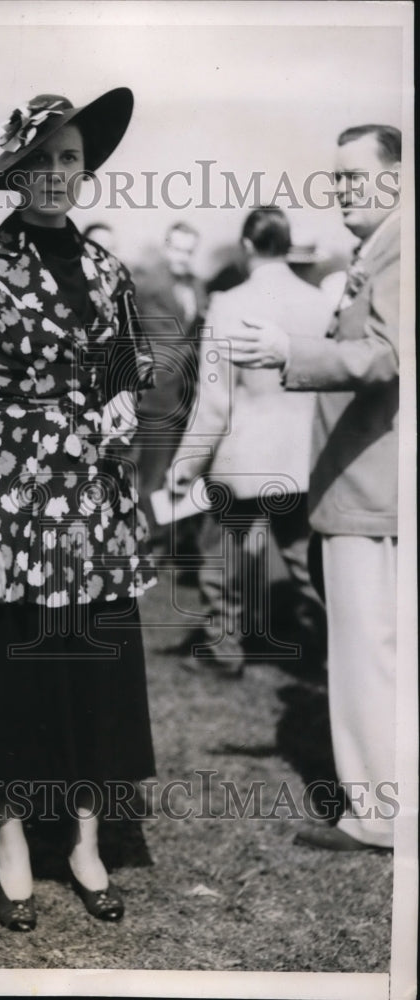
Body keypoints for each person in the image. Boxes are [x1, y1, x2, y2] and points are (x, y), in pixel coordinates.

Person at [0, 88, 157, 930]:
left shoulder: (106, 270)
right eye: (43, 160)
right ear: (15, 171)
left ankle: (88, 841)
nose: (58, 175)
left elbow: (120, 380)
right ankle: (15, 840)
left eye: (70, 159)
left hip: (94, 512)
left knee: (95, 681)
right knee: (15, 682)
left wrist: (120, 408)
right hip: (12, 512)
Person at [227, 125, 401, 851]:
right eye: (336, 181)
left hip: (369, 489)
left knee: (368, 656)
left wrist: (287, 352)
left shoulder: (397, 247)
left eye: (356, 179)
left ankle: (378, 815)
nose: (341, 194)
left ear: (399, 177)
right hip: (370, 485)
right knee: (376, 651)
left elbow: (386, 355)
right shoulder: (384, 248)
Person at [165, 207, 332, 677]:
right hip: (304, 455)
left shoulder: (229, 303)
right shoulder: (319, 302)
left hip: (245, 459)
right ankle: (337, 648)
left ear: (247, 247)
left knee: (225, 562)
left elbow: (214, 402)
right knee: (306, 560)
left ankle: (226, 650)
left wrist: (186, 463)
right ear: (287, 245)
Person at [130, 221, 207, 547]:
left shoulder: (198, 285)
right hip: (156, 392)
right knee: (153, 472)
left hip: (185, 393)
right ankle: (146, 543)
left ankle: (164, 540)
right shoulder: (146, 282)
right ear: (165, 246)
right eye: (176, 248)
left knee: (175, 470)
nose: (182, 257)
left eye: (188, 251)